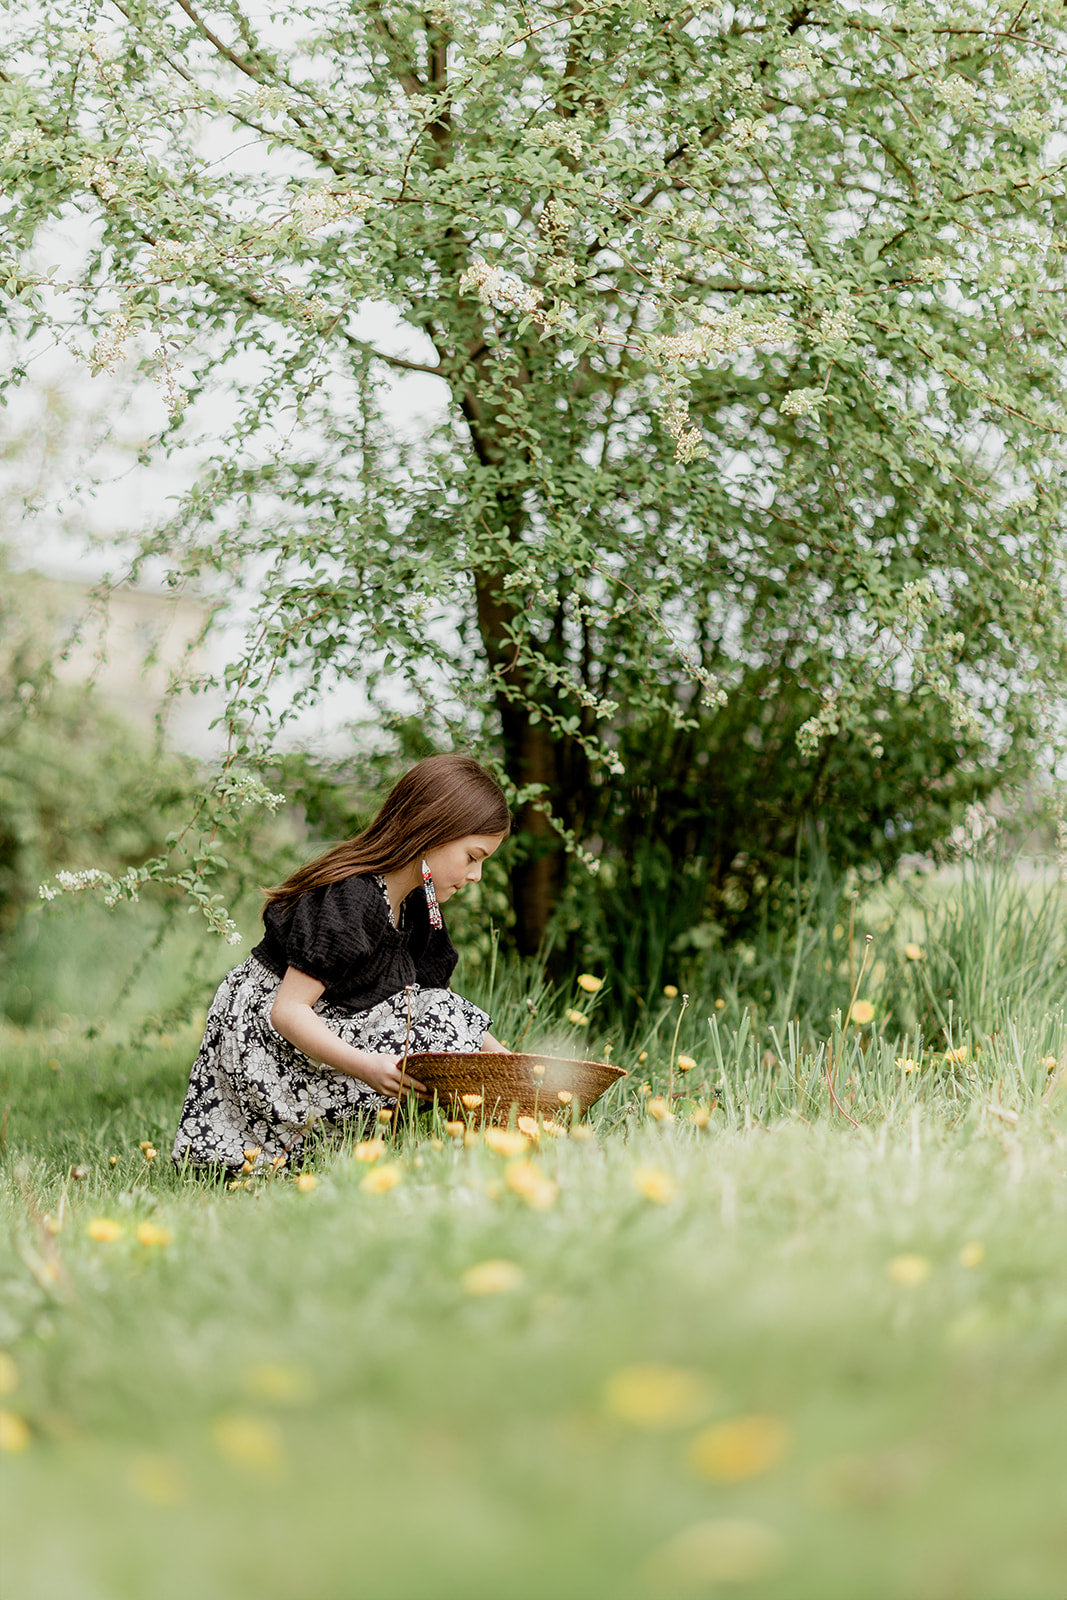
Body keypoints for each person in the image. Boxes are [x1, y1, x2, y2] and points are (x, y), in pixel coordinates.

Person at [172, 753, 511, 1174]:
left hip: (325, 1024)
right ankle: (285, 1148)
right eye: (472, 857)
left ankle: (495, 1126)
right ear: (431, 832)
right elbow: (287, 1010)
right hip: (266, 1044)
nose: (476, 875)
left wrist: (510, 1068)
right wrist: (366, 1066)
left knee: (438, 1018)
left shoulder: (420, 906)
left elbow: (434, 1005)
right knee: (432, 1029)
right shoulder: (353, 898)